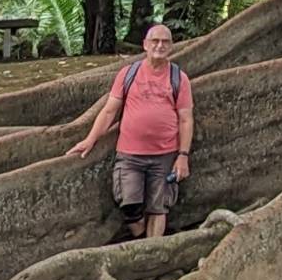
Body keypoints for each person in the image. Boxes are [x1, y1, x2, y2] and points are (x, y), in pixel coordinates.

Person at [61, 22, 193, 240]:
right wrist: (90, 140)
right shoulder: (128, 73)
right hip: (130, 155)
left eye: (165, 42)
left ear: (171, 46)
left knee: (159, 207)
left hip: (165, 154)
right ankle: (141, 242)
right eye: (155, 41)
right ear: (145, 44)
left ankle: (152, 250)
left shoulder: (179, 78)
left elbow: (186, 119)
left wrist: (183, 156)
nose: (160, 45)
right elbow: (109, 111)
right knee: (129, 205)